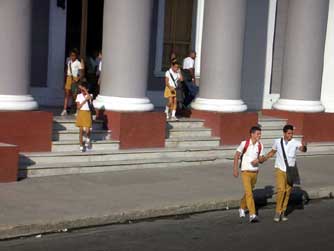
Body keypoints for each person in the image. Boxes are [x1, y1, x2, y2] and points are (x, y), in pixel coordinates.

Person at [262, 124, 307, 222]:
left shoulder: (296, 142)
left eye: (292, 133)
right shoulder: (277, 141)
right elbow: (272, 152)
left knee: (287, 191)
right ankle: (278, 212)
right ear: (284, 133)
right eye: (289, 133)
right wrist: (264, 158)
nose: (291, 135)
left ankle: (283, 211)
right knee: (281, 189)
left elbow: (302, 149)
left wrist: (304, 147)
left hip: (290, 171)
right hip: (279, 169)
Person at [233, 126, 265, 223]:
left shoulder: (260, 145)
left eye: (260, 134)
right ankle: (252, 215)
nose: (259, 136)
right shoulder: (244, 143)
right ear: (252, 134)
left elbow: (262, 159)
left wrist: (258, 160)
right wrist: (235, 169)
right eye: (258, 134)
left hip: (255, 172)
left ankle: (242, 208)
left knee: (248, 192)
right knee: (250, 194)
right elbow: (236, 155)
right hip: (245, 172)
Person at [61, 49, 83, 116]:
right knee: (67, 94)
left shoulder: (78, 63)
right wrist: (65, 80)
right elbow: (67, 71)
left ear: (76, 56)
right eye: (71, 55)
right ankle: (65, 110)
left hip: (75, 78)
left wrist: (77, 79)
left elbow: (81, 73)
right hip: (69, 78)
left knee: (75, 95)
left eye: (73, 55)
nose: (72, 57)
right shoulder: (69, 62)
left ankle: (77, 110)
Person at [75, 82, 93, 152]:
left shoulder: (90, 95)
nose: (82, 91)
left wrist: (85, 90)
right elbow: (78, 107)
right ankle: (81, 144)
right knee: (81, 130)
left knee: (88, 130)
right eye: (81, 90)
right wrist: (84, 100)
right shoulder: (78, 96)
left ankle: (88, 138)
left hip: (88, 113)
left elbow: (90, 98)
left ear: (87, 89)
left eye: (83, 90)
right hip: (81, 113)